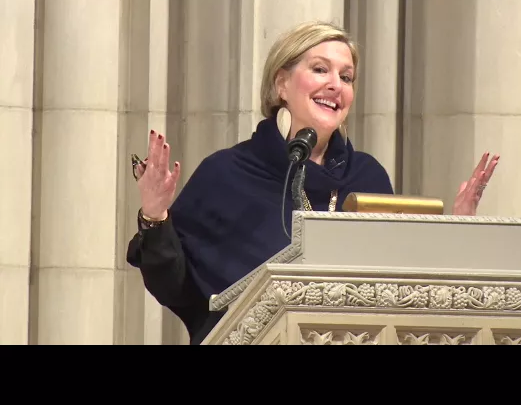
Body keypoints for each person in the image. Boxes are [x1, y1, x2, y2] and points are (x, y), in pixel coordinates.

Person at [126, 21, 500, 344]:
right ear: (281, 84)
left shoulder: (367, 176)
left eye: (346, 77)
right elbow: (175, 288)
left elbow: (405, 286)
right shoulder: (225, 174)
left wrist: (455, 236)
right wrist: (155, 216)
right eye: (320, 70)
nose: (336, 85)